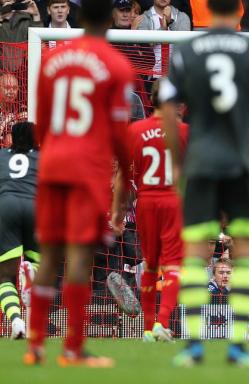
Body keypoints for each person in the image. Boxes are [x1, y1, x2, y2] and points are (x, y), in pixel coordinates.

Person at [160, 0, 249, 368]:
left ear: (208, 10)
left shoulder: (187, 51)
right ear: (241, 12)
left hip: (200, 163)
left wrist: (178, 160)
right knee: (246, 254)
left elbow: (166, 105)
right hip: (243, 164)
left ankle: (195, 344)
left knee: (197, 255)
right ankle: (238, 346)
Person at [25, 0, 134, 367]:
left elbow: (40, 123)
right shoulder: (116, 65)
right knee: (79, 257)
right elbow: (120, 135)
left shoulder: (54, 60)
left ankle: (36, 344)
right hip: (87, 170)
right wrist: (124, 179)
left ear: (81, 17)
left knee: (50, 252)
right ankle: (72, 349)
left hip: (52, 163)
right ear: (111, 21)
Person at [111, 79, 188, 343]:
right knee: (174, 264)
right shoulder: (185, 132)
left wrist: (118, 214)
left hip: (145, 202)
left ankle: (146, 328)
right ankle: (162, 322)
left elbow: (122, 176)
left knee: (151, 263)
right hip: (173, 201)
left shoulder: (135, 130)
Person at [0, 122, 38, 339]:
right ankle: (32, 272)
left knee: (4, 277)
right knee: (40, 262)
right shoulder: (43, 158)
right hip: (35, 207)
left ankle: (16, 321)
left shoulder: (2, 156)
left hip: (6, 208)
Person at [0, 72, 27, 148]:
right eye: (7, 88)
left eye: (15, 88)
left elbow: (25, 136)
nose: (11, 91)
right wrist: (6, 121)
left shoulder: (21, 108)